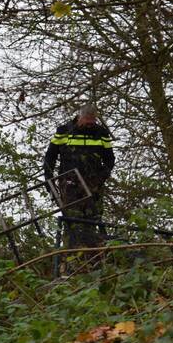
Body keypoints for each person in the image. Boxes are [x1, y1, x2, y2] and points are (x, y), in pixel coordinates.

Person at [43, 103, 114, 249]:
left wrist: (101, 178)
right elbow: (50, 157)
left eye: (92, 121)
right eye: (87, 121)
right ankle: (71, 256)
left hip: (93, 186)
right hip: (70, 185)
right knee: (72, 222)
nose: (89, 124)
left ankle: (92, 255)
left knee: (92, 220)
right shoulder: (63, 131)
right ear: (79, 117)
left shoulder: (101, 133)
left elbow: (110, 159)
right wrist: (48, 180)